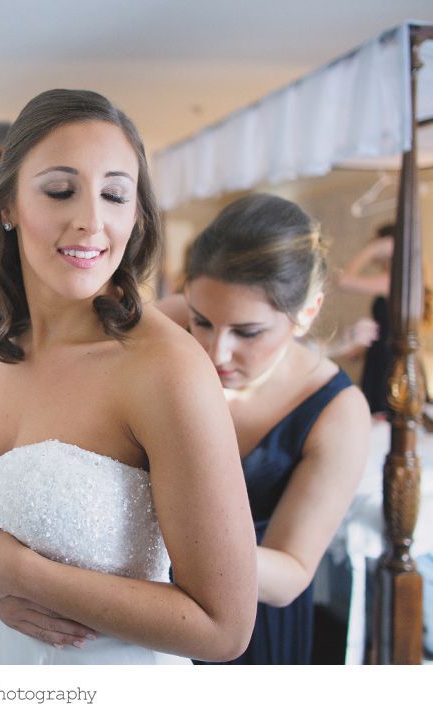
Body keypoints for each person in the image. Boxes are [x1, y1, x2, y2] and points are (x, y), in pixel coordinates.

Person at [0, 88, 258, 665]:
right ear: (8, 205)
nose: (91, 221)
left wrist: (20, 575)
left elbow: (223, 626)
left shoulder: (165, 370)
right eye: (61, 190)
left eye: (115, 194)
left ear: (136, 215)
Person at [157, 193, 371, 664]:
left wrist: (166, 537)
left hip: (249, 631)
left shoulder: (338, 413)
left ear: (307, 313)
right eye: (203, 321)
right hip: (142, 611)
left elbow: (292, 571)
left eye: (248, 332)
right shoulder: (167, 326)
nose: (216, 352)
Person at [338, 223, 395, 414]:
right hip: (380, 357)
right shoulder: (389, 280)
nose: (370, 243)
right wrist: (363, 350)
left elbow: (344, 280)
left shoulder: (392, 280)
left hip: (387, 362)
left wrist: (371, 250)